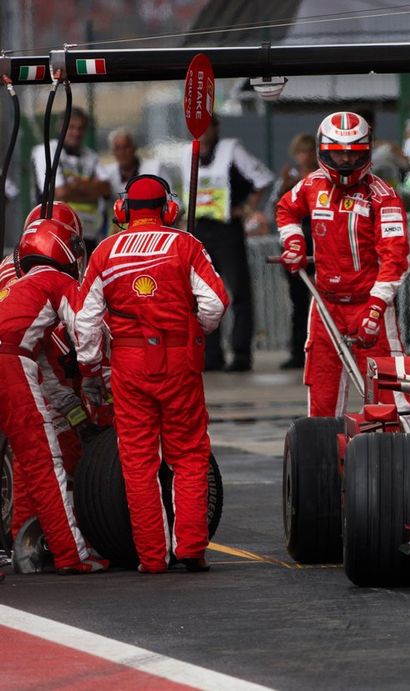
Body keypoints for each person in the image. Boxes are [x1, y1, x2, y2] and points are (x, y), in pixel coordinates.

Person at [76, 175, 229, 573]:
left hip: (128, 365)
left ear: (123, 210)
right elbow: (214, 303)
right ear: (169, 209)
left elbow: (85, 321)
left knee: (138, 460)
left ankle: (152, 558)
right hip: (179, 360)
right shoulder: (186, 244)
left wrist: (91, 366)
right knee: (190, 454)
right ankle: (191, 548)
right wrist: (194, 330)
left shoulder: (104, 252)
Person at [276, 112, 410, 418]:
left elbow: (395, 256)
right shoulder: (311, 185)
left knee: (389, 397)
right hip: (325, 306)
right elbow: (286, 209)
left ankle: (403, 457)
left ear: (367, 151)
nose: (347, 162)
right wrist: (294, 243)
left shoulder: (384, 197)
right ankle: (322, 463)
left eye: (354, 154)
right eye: (339, 155)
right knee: (321, 400)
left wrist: (376, 307)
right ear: (324, 151)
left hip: (370, 303)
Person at [0, 218, 107, 574]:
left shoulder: (15, 289)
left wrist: (73, 411)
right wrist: (95, 379)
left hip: (15, 359)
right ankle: (71, 554)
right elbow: (86, 330)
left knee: (26, 457)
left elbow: (48, 377)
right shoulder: (55, 281)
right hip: (8, 363)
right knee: (45, 463)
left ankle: (21, 545)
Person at [182, 115, 274, 372]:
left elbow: (263, 179)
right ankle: (211, 355)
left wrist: (246, 208)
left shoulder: (230, 149)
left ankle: (241, 354)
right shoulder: (186, 153)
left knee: (239, 292)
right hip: (199, 228)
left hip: (227, 229)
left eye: (207, 126)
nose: (202, 132)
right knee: (203, 294)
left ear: (215, 127)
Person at [31, 107, 112, 253]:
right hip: (54, 233)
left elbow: (106, 188)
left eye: (81, 128)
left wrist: (75, 184)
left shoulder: (91, 157)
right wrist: (90, 187)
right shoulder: (46, 151)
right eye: (71, 127)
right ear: (61, 128)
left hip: (88, 235)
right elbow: (60, 192)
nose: (76, 133)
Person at [272, 133, 319, 370]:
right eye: (300, 152)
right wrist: (284, 186)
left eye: (308, 151)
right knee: (298, 302)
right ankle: (298, 351)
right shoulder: (289, 178)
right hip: (297, 238)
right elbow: (278, 206)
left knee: (325, 297)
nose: (304, 156)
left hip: (319, 236)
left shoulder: (322, 177)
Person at [101, 129, 171, 198]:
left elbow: (172, 199)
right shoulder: (106, 174)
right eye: (117, 148)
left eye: (126, 147)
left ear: (134, 148)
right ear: (112, 152)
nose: (122, 153)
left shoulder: (155, 168)